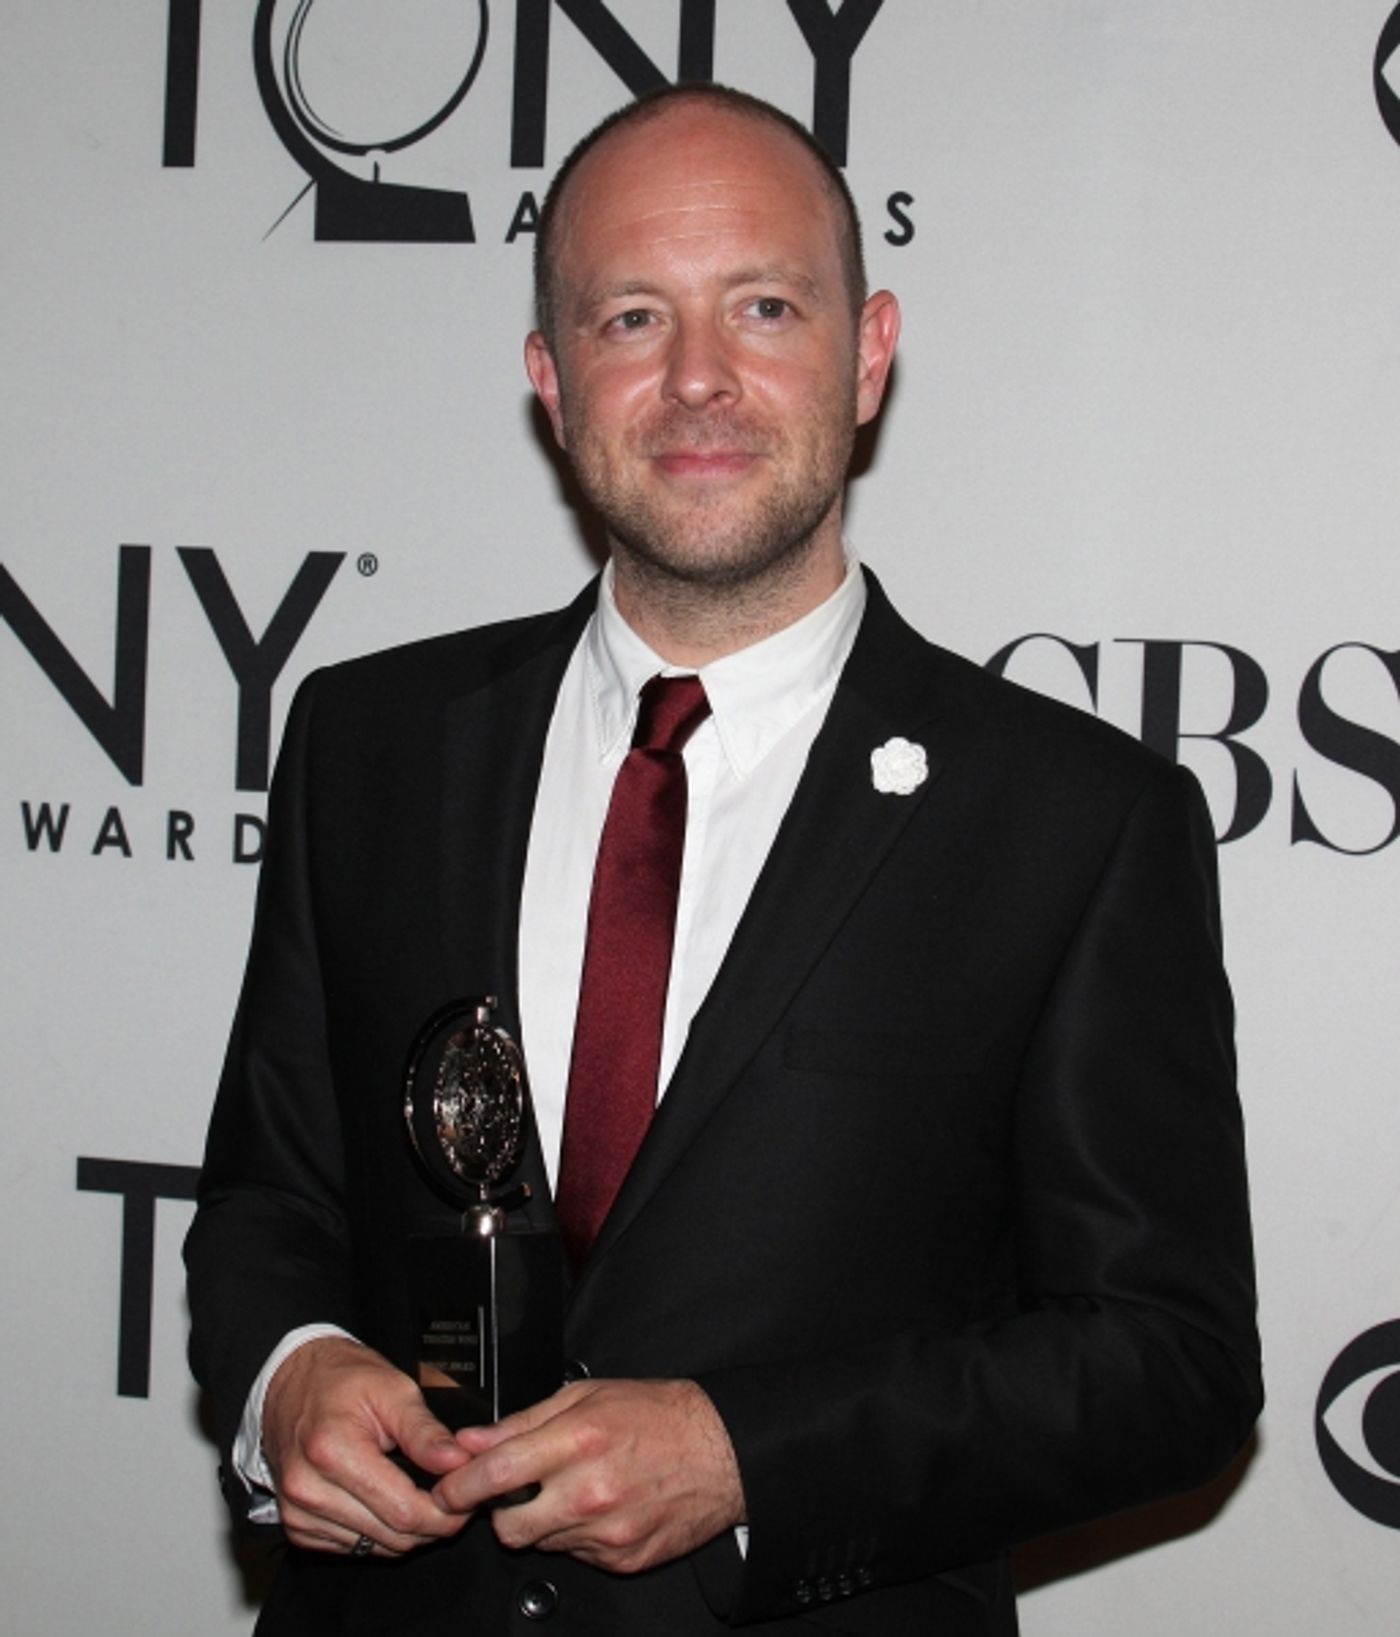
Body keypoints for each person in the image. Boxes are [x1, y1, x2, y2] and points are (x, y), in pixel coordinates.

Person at [185, 83, 1261, 1636]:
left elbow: (1168, 1356)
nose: (698, 379)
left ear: (869, 350)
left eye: (763, 305)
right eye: (632, 317)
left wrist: (751, 1455)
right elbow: (265, 1193)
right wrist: (294, 1373)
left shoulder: (1076, 822)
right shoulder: (369, 744)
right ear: (553, 381)